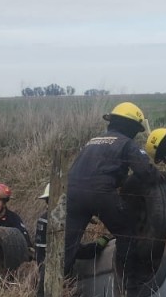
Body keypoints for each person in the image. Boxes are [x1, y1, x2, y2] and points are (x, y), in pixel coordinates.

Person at [63, 102, 158, 278]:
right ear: (131, 127)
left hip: (72, 193)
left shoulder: (92, 142)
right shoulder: (126, 143)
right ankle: (128, 284)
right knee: (127, 234)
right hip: (100, 193)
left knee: (66, 246)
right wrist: (161, 178)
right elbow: (146, 172)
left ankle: (46, 296)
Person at [34, 183, 112, 297]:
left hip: (48, 274)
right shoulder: (55, 223)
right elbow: (75, 250)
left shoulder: (45, 219)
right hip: (56, 278)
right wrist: (101, 243)